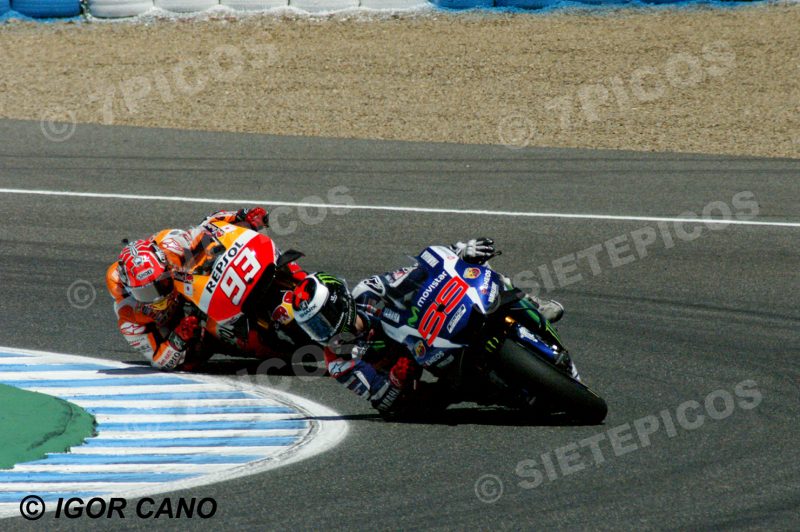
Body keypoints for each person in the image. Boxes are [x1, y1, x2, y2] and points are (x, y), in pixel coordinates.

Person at [291, 238, 564, 418]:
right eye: (313, 327)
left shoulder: (368, 291)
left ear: (339, 301)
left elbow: (417, 272)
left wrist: (460, 252)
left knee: (476, 268)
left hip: (429, 327)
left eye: (322, 319)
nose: (323, 330)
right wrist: (396, 379)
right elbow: (380, 398)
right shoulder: (337, 361)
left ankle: (530, 303)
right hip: (414, 372)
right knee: (411, 411)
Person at [105, 207, 306, 371]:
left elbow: (208, 226)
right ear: (131, 290)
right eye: (145, 293)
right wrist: (178, 339)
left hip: (197, 289)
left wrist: (241, 216)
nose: (157, 297)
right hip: (188, 330)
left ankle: (301, 278)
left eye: (161, 284)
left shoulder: (171, 246)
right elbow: (158, 359)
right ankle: (265, 347)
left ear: (165, 265)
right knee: (194, 358)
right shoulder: (128, 315)